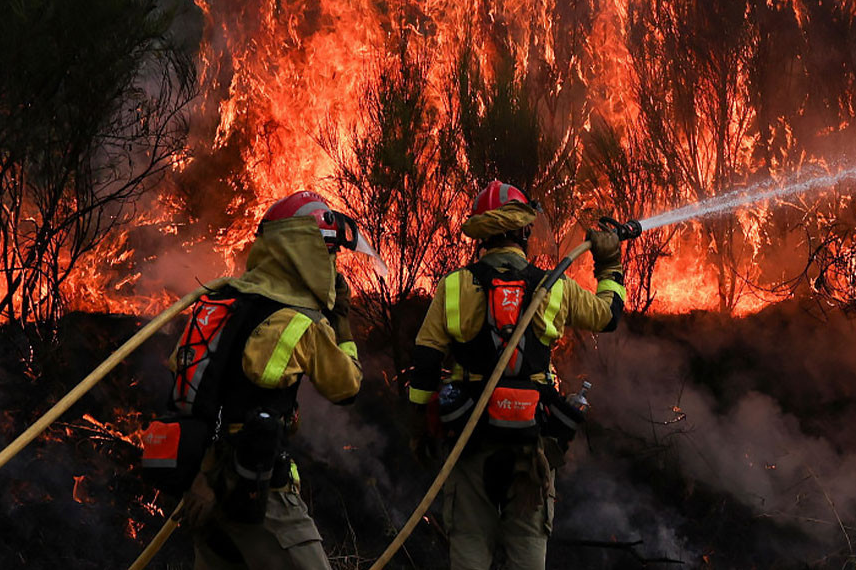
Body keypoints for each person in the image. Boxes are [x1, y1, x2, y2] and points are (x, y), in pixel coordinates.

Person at [407, 180, 627, 570]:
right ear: (525, 230)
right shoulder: (555, 286)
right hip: (531, 445)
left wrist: (423, 427)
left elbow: (425, 362)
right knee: (528, 553)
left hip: (470, 443)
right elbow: (607, 316)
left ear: (483, 235)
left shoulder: (454, 286)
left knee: (469, 549)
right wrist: (609, 264)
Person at [179, 191, 365, 570]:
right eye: (329, 252)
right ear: (307, 251)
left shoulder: (220, 302)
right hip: (260, 491)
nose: (332, 265)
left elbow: (195, 390)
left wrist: (200, 478)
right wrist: (341, 320)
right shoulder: (300, 322)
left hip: (202, 483)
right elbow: (347, 387)